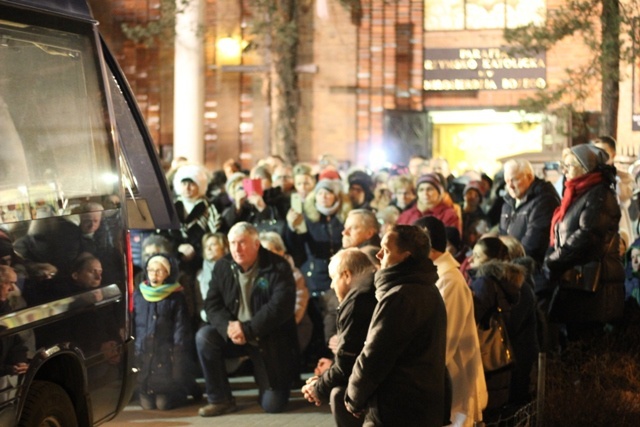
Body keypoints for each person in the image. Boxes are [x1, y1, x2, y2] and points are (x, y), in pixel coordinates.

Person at [345, 225, 447, 426]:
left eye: (387, 250)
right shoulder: (429, 289)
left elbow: (375, 355)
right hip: (423, 405)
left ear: (405, 257)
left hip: (396, 408)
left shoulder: (400, 297)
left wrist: (354, 397)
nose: (379, 254)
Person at [196, 222, 299, 417]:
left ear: (256, 244)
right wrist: (229, 327)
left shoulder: (278, 266)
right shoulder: (223, 266)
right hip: (235, 335)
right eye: (232, 243)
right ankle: (220, 399)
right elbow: (211, 305)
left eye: (242, 242)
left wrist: (247, 329)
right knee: (204, 337)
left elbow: (279, 308)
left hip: (268, 339)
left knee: (272, 405)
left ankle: (265, 383)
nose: (236, 248)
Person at [544, 144, 624, 342]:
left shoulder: (599, 194)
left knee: (587, 348)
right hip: (579, 286)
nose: (564, 170)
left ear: (585, 168)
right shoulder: (579, 193)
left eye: (569, 165)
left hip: (594, 288)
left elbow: (587, 236)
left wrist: (553, 260)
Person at [414, 216, 487, 427]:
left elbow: (445, 339)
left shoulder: (449, 280)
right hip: (441, 382)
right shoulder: (437, 275)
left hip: (454, 384)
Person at [301, 249, 377, 427]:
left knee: (339, 394)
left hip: (389, 386)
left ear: (346, 275)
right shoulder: (371, 290)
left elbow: (347, 363)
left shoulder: (359, 300)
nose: (333, 286)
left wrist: (318, 388)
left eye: (333, 278)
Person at [468, 237, 533, 421]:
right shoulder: (510, 282)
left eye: (478, 255)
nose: (472, 260)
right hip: (503, 359)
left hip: (488, 358)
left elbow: (472, 317)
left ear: (492, 259)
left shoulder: (485, 283)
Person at [134, 254, 198, 410]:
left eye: (159, 271)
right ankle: (147, 391)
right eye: (151, 270)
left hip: (166, 351)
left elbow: (180, 326)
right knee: (148, 405)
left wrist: (178, 349)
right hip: (144, 349)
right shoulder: (139, 294)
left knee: (163, 404)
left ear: (168, 273)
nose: (154, 275)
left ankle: (184, 390)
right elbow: (134, 321)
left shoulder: (176, 296)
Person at [259, 230, 312, 353]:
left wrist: (279, 328)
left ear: (280, 252)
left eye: (270, 250)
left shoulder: (295, 275)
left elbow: (299, 304)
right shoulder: (258, 276)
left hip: (294, 326)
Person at [196, 233, 229, 323]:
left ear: (223, 247)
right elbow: (199, 303)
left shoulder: (232, 269)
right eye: (206, 246)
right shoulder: (200, 276)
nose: (208, 249)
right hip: (209, 318)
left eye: (213, 245)